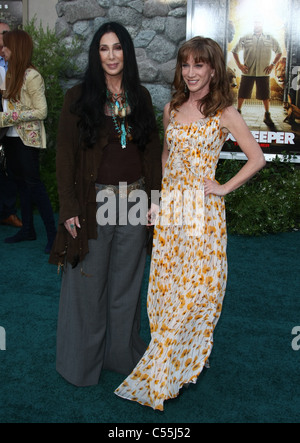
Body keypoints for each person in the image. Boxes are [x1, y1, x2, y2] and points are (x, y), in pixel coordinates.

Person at [115, 36, 266, 411]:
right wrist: (159, 202)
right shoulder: (172, 108)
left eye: (199, 65)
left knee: (200, 288)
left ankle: (177, 359)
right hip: (173, 212)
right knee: (167, 288)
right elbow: (166, 156)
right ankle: (178, 356)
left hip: (203, 212)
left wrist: (221, 188)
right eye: (186, 65)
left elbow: (256, 158)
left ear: (213, 69)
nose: (191, 72)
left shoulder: (225, 112)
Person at [49, 22, 162, 387]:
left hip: (135, 202)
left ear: (126, 52)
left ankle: (121, 357)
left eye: (117, 48)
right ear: (95, 54)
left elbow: (153, 152)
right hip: (93, 204)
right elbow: (64, 155)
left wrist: (155, 200)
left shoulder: (140, 96)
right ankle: (81, 365)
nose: (111, 56)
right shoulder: (78, 97)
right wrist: (68, 208)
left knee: (126, 286)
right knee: (87, 284)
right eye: (103, 48)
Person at [0, 29, 57, 253]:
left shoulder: (32, 76)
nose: (2, 50)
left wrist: (7, 117)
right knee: (20, 184)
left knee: (34, 185)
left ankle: (53, 235)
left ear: (17, 48)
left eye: (6, 46)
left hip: (28, 140)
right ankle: (28, 230)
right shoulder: (11, 74)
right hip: (12, 138)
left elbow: (41, 111)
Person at [232, 19, 282, 127]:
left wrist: (272, 65)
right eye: (255, 22)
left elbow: (279, 52)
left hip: (263, 72)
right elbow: (234, 51)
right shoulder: (246, 37)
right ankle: (238, 112)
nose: (257, 24)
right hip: (247, 72)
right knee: (242, 93)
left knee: (265, 95)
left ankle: (267, 115)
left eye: (259, 22)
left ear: (262, 24)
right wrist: (240, 65)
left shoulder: (270, 38)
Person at [0, 20, 22, 229]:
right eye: (2, 33)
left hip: (12, 129)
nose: (4, 37)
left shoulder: (17, 64)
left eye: (7, 33)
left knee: (10, 173)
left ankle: (7, 212)